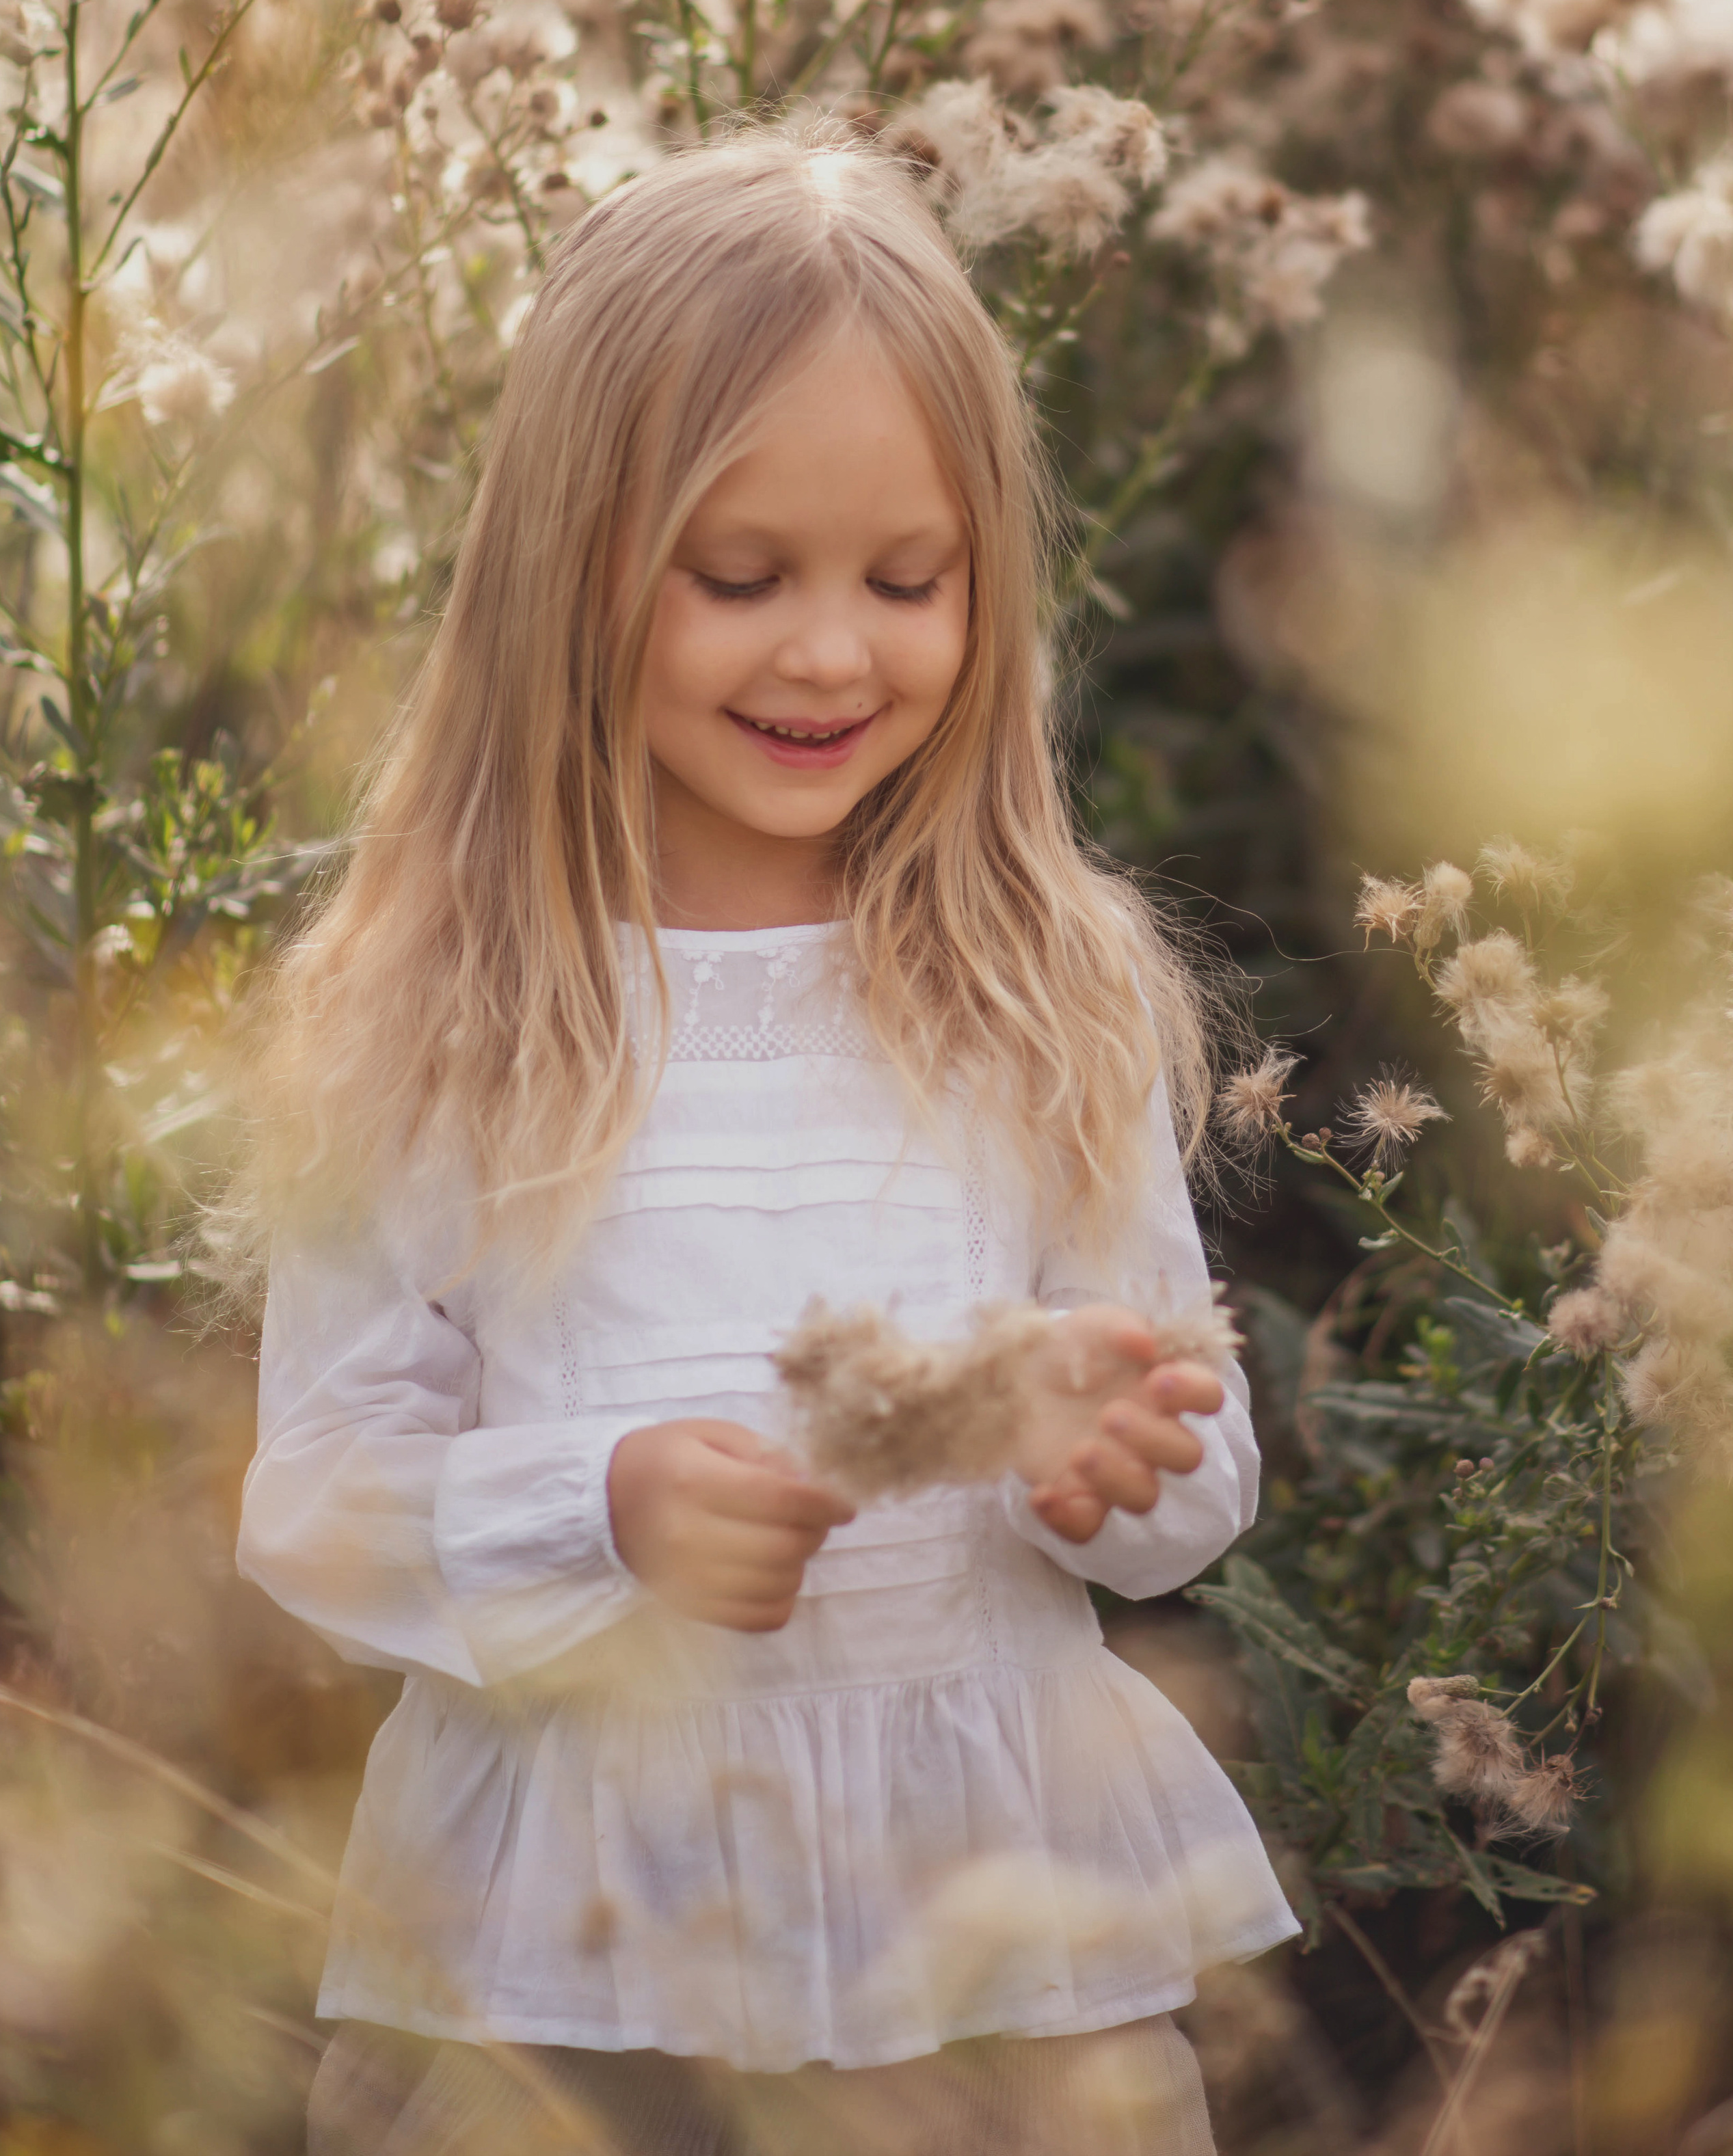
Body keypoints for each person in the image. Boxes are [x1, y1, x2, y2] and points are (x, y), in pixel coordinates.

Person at [233, 129, 1299, 2156]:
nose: (830, 651)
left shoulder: (1035, 985)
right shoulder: (442, 1006)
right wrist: (600, 1505)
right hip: (568, 1959)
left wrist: (1112, 1457)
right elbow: (318, 1504)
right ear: (572, 569)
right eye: (740, 579)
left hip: (986, 1947)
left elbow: (1192, 1471)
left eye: (908, 580)